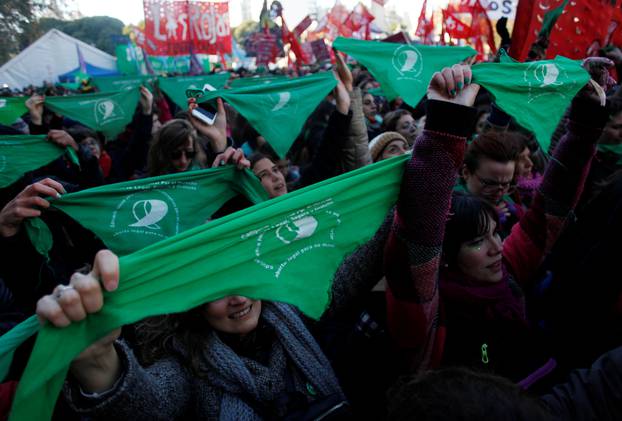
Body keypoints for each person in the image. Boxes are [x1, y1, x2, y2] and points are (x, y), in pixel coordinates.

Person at [35, 208, 393, 419]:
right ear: (194, 305)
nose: (237, 298)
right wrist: (96, 361)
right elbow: (151, 405)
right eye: (216, 292)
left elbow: (374, 247)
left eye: (240, 280)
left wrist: (433, 150)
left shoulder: (299, 309)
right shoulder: (186, 365)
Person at [384, 60, 611, 390]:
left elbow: (549, 207)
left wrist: (586, 121)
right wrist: (444, 128)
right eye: (476, 242)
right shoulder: (429, 318)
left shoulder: (506, 272)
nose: (497, 247)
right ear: (444, 256)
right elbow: (417, 235)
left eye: (494, 233)